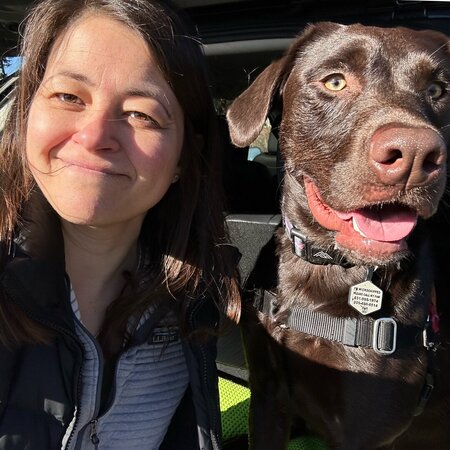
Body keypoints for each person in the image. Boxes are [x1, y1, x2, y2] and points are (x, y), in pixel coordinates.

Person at [0, 0, 241, 448]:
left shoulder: (195, 307)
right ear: (26, 114)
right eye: (68, 97)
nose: (94, 137)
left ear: (184, 159)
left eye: (141, 114)